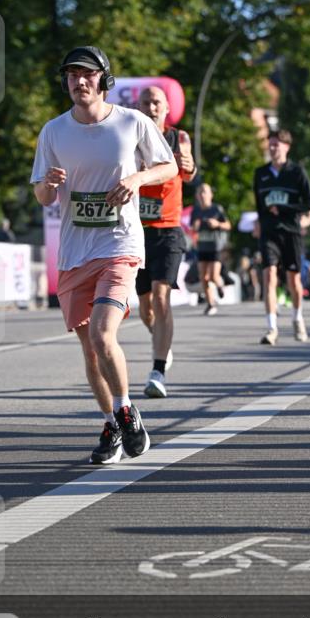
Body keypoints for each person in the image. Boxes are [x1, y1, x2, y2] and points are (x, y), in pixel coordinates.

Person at [31, 45, 177, 465]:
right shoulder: (54, 131)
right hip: (75, 252)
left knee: (101, 332)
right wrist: (50, 185)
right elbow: (41, 195)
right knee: (90, 349)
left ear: (104, 80)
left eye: (87, 74)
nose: (79, 81)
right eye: (72, 75)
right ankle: (113, 424)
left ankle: (127, 411)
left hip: (120, 244)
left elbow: (167, 167)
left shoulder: (132, 123)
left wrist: (136, 177)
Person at [135, 84, 197, 398]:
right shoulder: (129, 137)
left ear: (167, 108)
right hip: (137, 230)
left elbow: (188, 170)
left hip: (168, 230)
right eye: (146, 102)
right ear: (139, 106)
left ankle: (158, 370)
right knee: (145, 309)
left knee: (161, 297)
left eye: (157, 102)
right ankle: (163, 342)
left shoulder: (178, 137)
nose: (152, 106)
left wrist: (188, 165)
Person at [253, 129, 310, 344]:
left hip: (291, 232)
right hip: (269, 233)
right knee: (269, 276)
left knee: (294, 280)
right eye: (270, 145)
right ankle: (271, 328)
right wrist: (259, 224)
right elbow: (260, 206)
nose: (273, 149)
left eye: (277, 145)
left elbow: (309, 204)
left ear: (287, 147)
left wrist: (285, 208)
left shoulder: (297, 173)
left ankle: (298, 318)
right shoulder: (260, 173)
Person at [190, 183, 231, 316]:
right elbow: (192, 228)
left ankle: (220, 285)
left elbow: (228, 225)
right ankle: (210, 303)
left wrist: (217, 224)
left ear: (210, 195)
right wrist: (195, 227)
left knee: (213, 275)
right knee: (204, 277)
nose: (202, 195)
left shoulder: (217, 209)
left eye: (205, 192)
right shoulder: (195, 211)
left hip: (215, 247)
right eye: (200, 192)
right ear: (197, 196)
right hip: (202, 246)